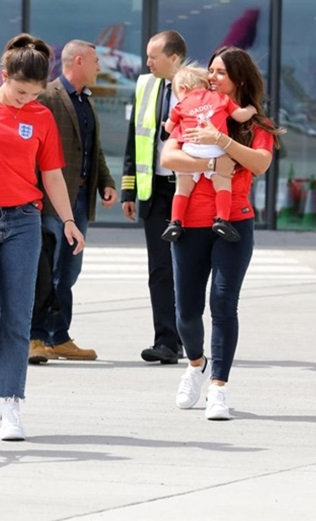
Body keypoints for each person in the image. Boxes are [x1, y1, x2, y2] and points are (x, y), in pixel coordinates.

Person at [0, 34, 85, 441]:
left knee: (17, 315)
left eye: (35, 93)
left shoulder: (40, 117)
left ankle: (11, 403)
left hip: (25, 222)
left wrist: (67, 220)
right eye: (20, 91)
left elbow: (52, 174)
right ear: (3, 74)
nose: (27, 99)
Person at [160, 46, 284, 420]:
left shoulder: (254, 123)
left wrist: (224, 140)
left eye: (220, 73)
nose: (211, 78)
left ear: (239, 80)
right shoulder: (194, 109)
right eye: (211, 71)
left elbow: (259, 163)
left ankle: (218, 388)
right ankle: (195, 363)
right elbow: (169, 157)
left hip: (233, 222)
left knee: (224, 305)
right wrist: (215, 160)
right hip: (189, 225)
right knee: (185, 312)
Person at [28, 39, 118, 365]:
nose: (99, 68)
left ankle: (59, 337)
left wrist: (105, 182)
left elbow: (93, 149)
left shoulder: (84, 100)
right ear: (78, 61)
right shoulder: (48, 97)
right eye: (95, 61)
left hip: (79, 198)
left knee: (68, 272)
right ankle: (35, 337)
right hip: (53, 200)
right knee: (45, 271)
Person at [121, 30, 186, 365]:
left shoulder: (200, 87)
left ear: (173, 57)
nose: (147, 63)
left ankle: (188, 335)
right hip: (155, 191)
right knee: (160, 268)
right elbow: (136, 138)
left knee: (189, 268)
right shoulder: (146, 85)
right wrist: (129, 189)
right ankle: (166, 341)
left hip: (189, 190)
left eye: (153, 56)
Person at [160, 64, 257, 243]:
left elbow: (169, 127)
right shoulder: (219, 98)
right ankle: (221, 219)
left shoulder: (180, 106)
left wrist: (167, 124)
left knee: (182, 188)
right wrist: (252, 109)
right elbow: (241, 116)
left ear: (183, 88)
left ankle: (175, 222)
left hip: (191, 149)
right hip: (214, 147)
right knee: (223, 183)